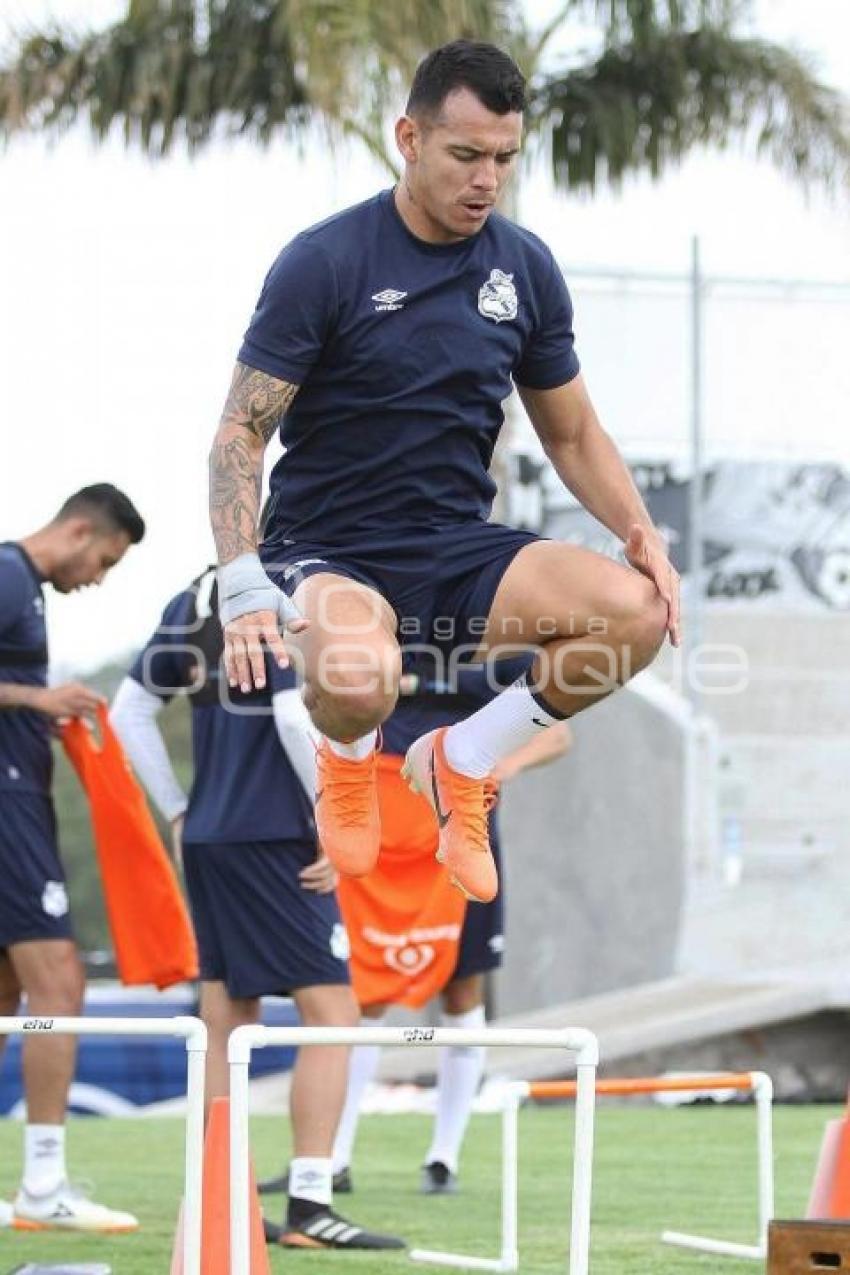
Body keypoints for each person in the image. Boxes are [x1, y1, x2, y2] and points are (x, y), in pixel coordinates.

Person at [208, 39, 680, 907]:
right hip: (328, 548)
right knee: (358, 676)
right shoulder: (326, 261)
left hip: (457, 549)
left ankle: (461, 760)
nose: (486, 178)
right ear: (410, 139)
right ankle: (350, 758)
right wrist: (240, 577)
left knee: (638, 612)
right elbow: (241, 427)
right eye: (466, 154)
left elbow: (571, 433)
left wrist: (637, 530)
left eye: (503, 157)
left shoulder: (524, 267)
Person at [110, 566, 404, 1251]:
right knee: (333, 1012)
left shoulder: (192, 595)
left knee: (223, 1016)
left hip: (211, 833)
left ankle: (222, 1194)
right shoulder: (284, 590)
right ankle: (311, 1202)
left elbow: (127, 710)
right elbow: (289, 710)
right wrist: (334, 814)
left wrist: (180, 809)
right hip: (275, 833)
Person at [260, 654, 571, 1200]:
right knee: (366, 991)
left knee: (464, 986)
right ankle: (334, 1156)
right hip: (384, 816)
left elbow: (558, 732)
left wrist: (503, 765)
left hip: (460, 823)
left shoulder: (500, 642)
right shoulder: (381, 627)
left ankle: (443, 1158)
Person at [0, 483, 145, 1232]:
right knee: (58, 984)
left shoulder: (26, 591)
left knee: (4, 1001)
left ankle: (36, 1182)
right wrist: (37, 701)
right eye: (106, 561)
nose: (98, 577)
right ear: (81, 529)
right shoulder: (9, 575)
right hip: (7, 808)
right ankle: (45, 1185)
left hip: (19, 798)